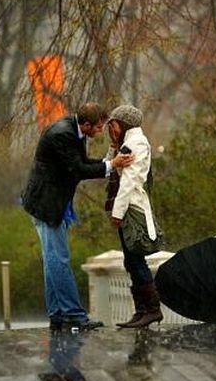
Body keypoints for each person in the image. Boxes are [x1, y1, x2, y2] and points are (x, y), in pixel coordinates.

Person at [21, 102, 134, 332]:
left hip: (53, 202)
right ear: (86, 124)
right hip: (46, 204)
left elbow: (81, 163)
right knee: (58, 260)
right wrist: (111, 165)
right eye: (98, 126)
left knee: (52, 261)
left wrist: (108, 164)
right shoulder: (62, 134)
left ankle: (58, 315)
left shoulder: (74, 130)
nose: (101, 130)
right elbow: (78, 169)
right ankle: (74, 315)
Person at [105, 104, 164, 328]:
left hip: (132, 209)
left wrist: (117, 213)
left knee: (136, 260)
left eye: (114, 124)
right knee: (131, 260)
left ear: (124, 123)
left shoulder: (135, 143)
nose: (111, 128)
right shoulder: (126, 143)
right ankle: (142, 311)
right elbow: (110, 166)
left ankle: (151, 309)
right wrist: (113, 146)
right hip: (127, 207)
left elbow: (129, 180)